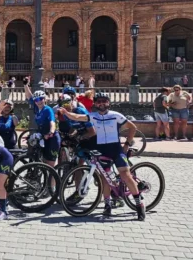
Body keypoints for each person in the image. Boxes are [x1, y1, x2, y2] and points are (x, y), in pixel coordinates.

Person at [61, 92, 147, 220]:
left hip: (116, 149)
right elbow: (78, 117)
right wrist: (67, 113)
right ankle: (107, 205)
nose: (101, 103)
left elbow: (133, 127)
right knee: (105, 178)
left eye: (104, 101)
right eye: (98, 101)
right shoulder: (93, 116)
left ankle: (139, 205)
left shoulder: (115, 115)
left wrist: (127, 145)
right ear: (95, 104)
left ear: (108, 103)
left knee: (125, 175)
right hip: (102, 150)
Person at [25, 86, 60, 171]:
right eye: (36, 100)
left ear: (45, 99)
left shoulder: (48, 110)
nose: (39, 101)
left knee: (50, 167)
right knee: (43, 163)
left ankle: (53, 180)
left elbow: (52, 122)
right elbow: (29, 96)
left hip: (52, 138)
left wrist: (51, 132)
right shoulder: (37, 107)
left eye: (41, 99)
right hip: (43, 137)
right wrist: (25, 85)